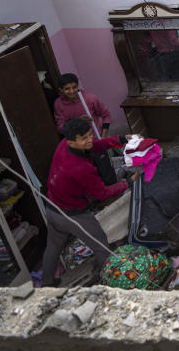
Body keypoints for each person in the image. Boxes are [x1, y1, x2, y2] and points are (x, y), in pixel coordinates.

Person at [41, 118, 139, 286]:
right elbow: (102, 193)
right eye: (84, 138)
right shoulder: (81, 168)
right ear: (72, 141)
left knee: (53, 246)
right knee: (101, 244)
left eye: (89, 135)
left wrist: (122, 139)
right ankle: (112, 284)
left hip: (52, 208)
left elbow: (96, 146)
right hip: (72, 215)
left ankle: (47, 284)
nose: (90, 140)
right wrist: (129, 182)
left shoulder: (65, 144)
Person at [54, 73, 111, 138]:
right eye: (67, 89)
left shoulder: (90, 98)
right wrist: (76, 122)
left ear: (78, 86)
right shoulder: (58, 104)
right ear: (61, 90)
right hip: (78, 144)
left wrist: (103, 137)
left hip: (96, 138)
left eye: (74, 87)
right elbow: (60, 128)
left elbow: (106, 115)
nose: (72, 91)